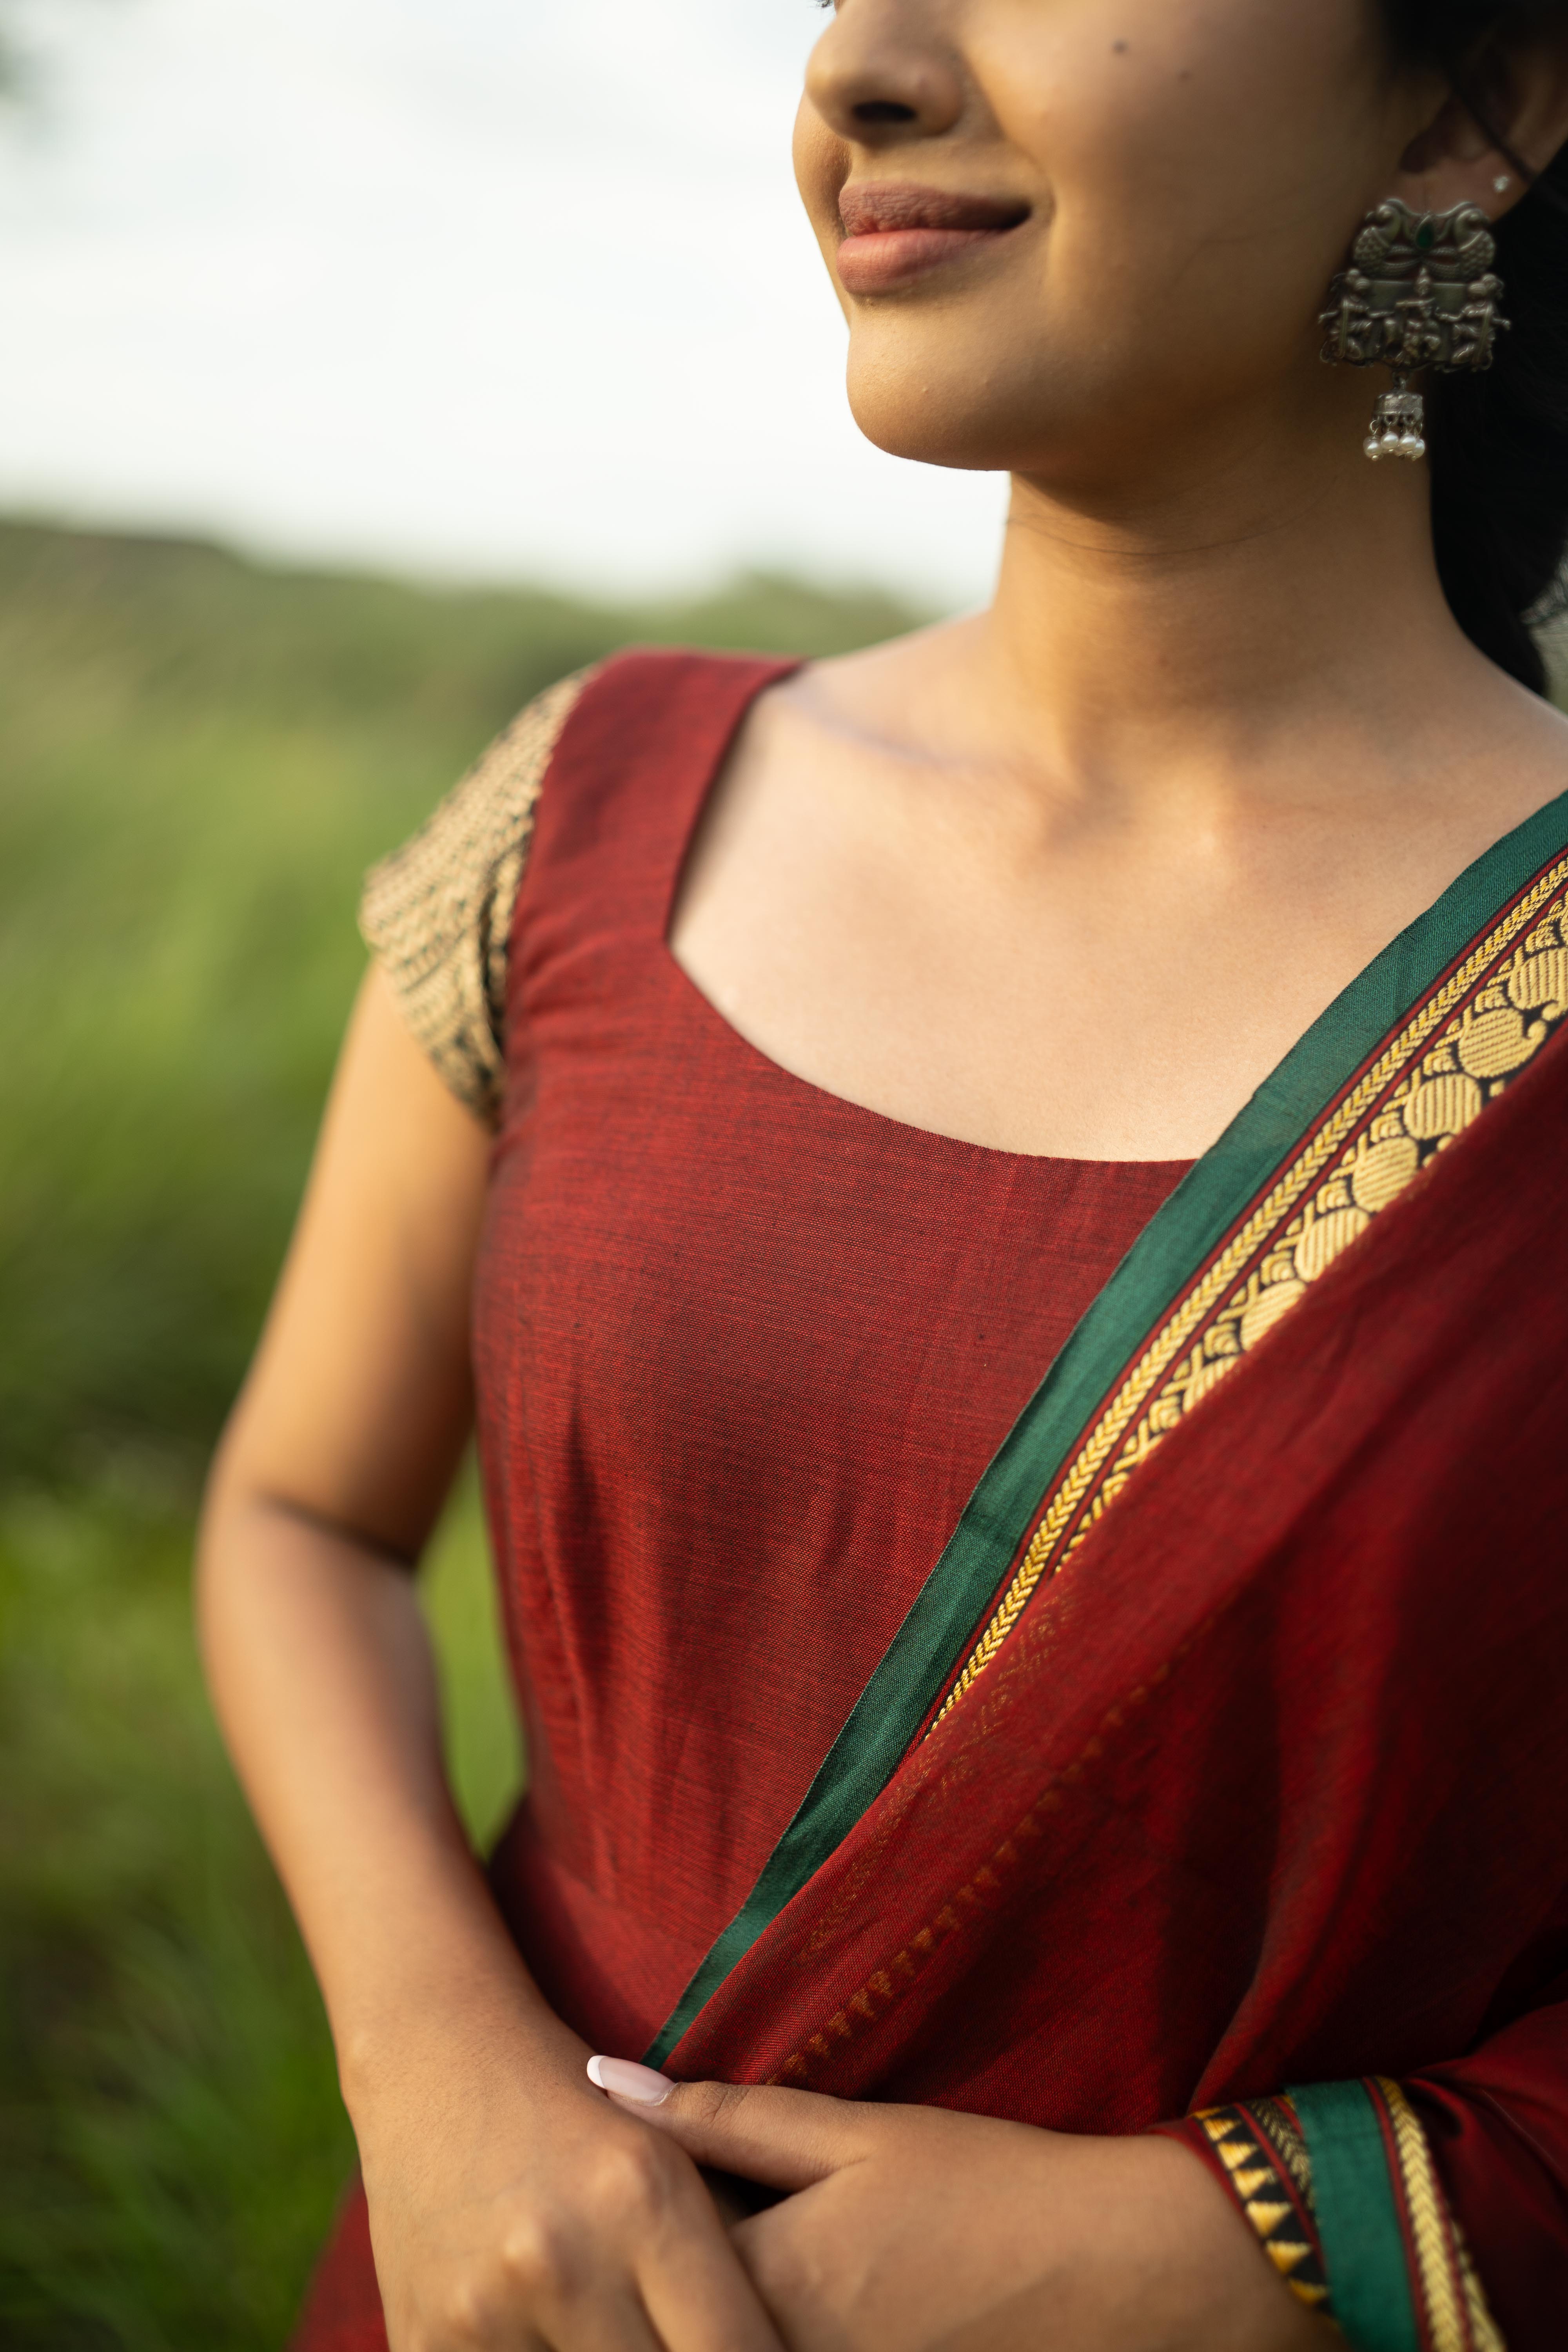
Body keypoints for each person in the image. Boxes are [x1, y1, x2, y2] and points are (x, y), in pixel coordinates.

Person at [197, 2, 1568, 2345]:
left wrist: (1210, 2249)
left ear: (1465, 110)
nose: (862, 69)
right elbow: (303, 1519)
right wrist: (437, 2069)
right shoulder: (593, 814)